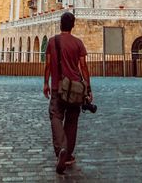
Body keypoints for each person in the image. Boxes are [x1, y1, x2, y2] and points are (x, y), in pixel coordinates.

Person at [43, 11, 92, 174]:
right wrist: (88, 88)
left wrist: (46, 83)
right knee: (72, 121)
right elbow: (83, 66)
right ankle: (68, 155)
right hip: (75, 89)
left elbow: (48, 65)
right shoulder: (78, 43)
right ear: (73, 26)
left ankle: (61, 149)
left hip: (57, 87)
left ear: (60, 24)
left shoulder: (52, 41)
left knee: (55, 117)